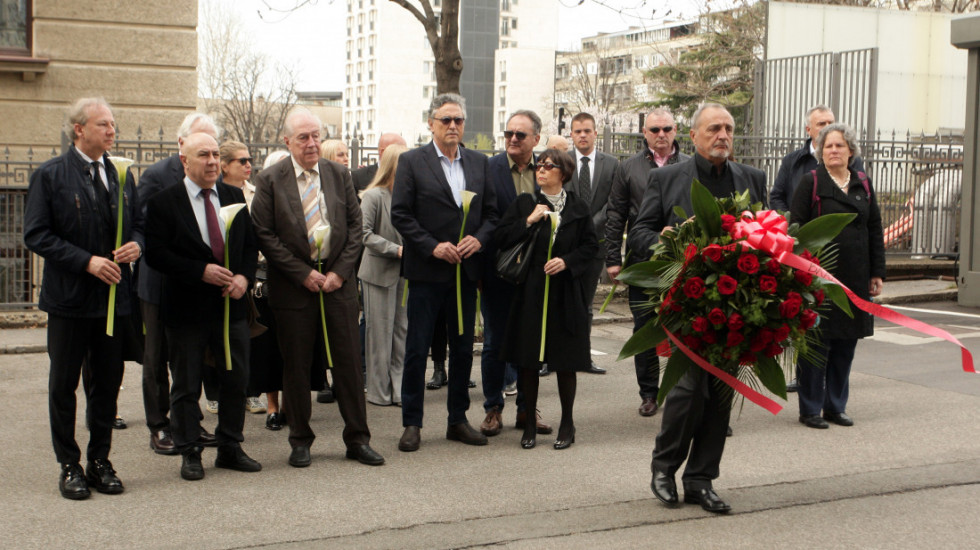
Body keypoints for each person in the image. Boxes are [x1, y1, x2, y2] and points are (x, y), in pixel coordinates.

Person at [629, 103, 767, 514]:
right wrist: (665, 242)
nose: (722, 135)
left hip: (735, 305)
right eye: (713, 128)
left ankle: (701, 479)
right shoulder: (667, 178)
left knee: (720, 396)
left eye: (727, 128)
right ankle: (664, 468)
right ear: (694, 136)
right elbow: (638, 231)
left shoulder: (752, 179)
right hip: (686, 304)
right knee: (688, 391)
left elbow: (769, 229)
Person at [250, 108, 384, 468]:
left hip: (337, 285)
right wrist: (301, 274)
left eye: (316, 136)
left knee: (348, 364)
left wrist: (340, 272)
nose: (311, 144)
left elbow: (355, 228)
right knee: (296, 364)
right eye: (303, 138)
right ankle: (300, 440)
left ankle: (358, 439)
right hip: (294, 287)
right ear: (288, 141)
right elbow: (264, 233)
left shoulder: (339, 174)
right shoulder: (271, 180)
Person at [24, 97, 143, 499]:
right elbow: (36, 234)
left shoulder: (122, 175)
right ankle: (69, 465)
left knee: (108, 384)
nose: (112, 131)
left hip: (113, 300)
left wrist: (135, 246)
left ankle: (100, 460)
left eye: (113, 125)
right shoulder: (52, 175)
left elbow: (138, 224)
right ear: (80, 129)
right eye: (103, 124)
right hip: (69, 300)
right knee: (64, 385)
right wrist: (86, 262)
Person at [144, 132, 261, 481]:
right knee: (187, 383)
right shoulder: (165, 201)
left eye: (214, 154)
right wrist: (200, 271)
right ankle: (190, 450)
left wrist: (243, 277)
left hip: (231, 306)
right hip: (186, 308)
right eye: (203, 155)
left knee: (235, 378)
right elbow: (157, 253)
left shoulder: (232, 194)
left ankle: (230, 446)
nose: (212, 161)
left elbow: (248, 243)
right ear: (184, 160)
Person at [390, 93, 498, 452]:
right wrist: (432, 245)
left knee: (464, 347)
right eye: (446, 120)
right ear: (431, 123)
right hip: (426, 272)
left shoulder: (480, 164)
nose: (453, 126)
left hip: (465, 274)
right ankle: (412, 422)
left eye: (458, 121)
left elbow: (493, 215)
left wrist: (478, 240)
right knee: (417, 349)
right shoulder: (411, 162)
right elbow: (401, 214)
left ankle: (457, 419)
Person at [497, 148, 598, 450]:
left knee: (565, 359)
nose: (541, 170)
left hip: (565, 293)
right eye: (539, 166)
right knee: (529, 359)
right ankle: (528, 424)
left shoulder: (578, 208)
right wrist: (528, 221)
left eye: (548, 166)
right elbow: (502, 238)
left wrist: (567, 262)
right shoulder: (525, 203)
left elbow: (591, 247)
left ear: (563, 173)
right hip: (531, 292)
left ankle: (567, 423)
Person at [790, 123, 885, 429]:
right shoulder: (811, 182)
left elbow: (874, 230)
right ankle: (810, 409)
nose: (833, 151)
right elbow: (797, 229)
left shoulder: (863, 183)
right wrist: (801, 273)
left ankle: (835, 406)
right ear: (820, 151)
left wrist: (877, 273)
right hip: (818, 279)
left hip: (856, 278)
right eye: (828, 146)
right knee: (816, 345)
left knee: (846, 345)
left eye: (839, 146)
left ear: (850, 151)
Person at [137, 113, 221, 454]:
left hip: (197, 285)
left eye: (213, 147)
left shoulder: (214, 179)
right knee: (156, 356)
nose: (210, 157)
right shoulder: (157, 176)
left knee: (189, 358)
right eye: (201, 146)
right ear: (182, 144)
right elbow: (145, 228)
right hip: (160, 282)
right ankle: (159, 425)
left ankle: (188, 420)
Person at [771, 105, 865, 392]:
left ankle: (832, 395)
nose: (828, 129)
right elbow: (777, 196)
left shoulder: (857, 173)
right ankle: (809, 387)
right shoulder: (796, 164)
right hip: (808, 255)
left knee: (841, 331)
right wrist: (793, 228)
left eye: (831, 123)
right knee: (812, 327)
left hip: (848, 264)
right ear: (808, 130)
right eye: (821, 124)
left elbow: (869, 222)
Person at [605, 108, 690, 417]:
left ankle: (684, 390)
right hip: (644, 262)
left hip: (685, 261)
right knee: (645, 329)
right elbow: (615, 215)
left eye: (666, 128)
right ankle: (649, 393)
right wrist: (613, 259)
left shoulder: (691, 166)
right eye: (654, 130)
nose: (661, 135)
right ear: (644, 133)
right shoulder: (628, 168)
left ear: (676, 130)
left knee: (687, 328)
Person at [478, 110, 552, 438]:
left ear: (536, 139)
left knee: (530, 343)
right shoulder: (488, 169)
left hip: (536, 275)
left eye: (520, 135)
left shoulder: (548, 170)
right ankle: (493, 408)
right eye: (508, 133)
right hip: (498, 272)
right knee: (495, 342)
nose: (512, 139)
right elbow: (481, 220)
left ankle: (527, 408)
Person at [219, 141, 288, 423]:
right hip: (227, 278)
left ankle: (276, 404)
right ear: (225, 165)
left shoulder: (256, 193)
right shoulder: (218, 195)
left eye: (250, 160)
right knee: (234, 347)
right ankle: (230, 398)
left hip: (259, 274)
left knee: (269, 342)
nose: (249, 165)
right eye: (241, 161)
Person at [567, 112, 618, 375]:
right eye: (577, 131)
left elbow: (614, 202)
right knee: (560, 302)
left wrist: (590, 224)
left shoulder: (611, 164)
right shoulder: (563, 162)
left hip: (596, 245)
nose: (583, 135)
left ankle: (584, 357)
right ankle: (554, 358)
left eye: (587, 130)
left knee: (586, 305)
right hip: (566, 247)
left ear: (595, 133)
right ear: (572, 134)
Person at [359, 144, 409, 406]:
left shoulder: (409, 195)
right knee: (379, 334)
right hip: (378, 273)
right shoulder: (373, 196)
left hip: (405, 274)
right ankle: (379, 391)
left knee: (401, 332)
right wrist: (396, 250)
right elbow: (364, 235)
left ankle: (399, 388)